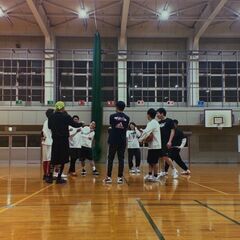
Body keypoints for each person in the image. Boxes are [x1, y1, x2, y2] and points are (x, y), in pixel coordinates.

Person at [46, 101, 83, 184]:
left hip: (55, 140)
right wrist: (81, 124)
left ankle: (50, 177)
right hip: (64, 141)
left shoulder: (51, 116)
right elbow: (74, 124)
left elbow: (49, 126)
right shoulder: (66, 116)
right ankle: (59, 177)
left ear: (56, 107)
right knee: (62, 159)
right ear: (63, 108)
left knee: (54, 158)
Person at [103, 101, 130, 184]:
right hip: (122, 141)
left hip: (113, 140)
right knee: (121, 159)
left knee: (110, 158)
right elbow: (124, 127)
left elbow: (112, 126)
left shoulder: (112, 116)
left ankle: (109, 178)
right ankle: (119, 178)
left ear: (117, 107)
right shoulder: (127, 118)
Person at [139, 108, 162, 182]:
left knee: (154, 162)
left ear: (148, 115)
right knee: (150, 161)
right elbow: (148, 133)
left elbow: (146, 132)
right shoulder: (154, 123)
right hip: (152, 146)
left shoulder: (152, 123)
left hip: (155, 146)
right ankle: (150, 175)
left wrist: (140, 139)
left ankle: (155, 176)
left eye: (147, 114)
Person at [156, 108, 178, 178]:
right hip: (160, 142)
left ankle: (174, 170)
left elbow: (172, 131)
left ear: (162, 113)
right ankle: (163, 172)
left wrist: (170, 141)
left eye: (158, 113)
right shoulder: (158, 123)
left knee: (165, 156)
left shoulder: (169, 121)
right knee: (161, 157)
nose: (157, 115)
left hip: (166, 141)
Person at [41, 108, 54, 180]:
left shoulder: (45, 122)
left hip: (45, 142)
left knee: (45, 159)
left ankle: (45, 175)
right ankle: (49, 174)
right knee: (49, 159)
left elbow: (42, 132)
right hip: (50, 142)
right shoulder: (52, 121)